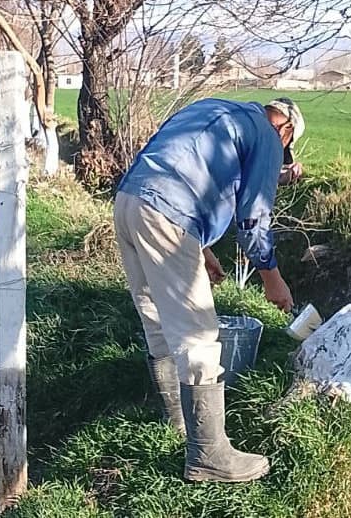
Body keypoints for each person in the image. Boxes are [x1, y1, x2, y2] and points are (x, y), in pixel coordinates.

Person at [114, 97, 305, 484]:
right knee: (198, 332)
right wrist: (272, 278)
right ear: (285, 131)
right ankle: (209, 455)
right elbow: (253, 218)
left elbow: (187, 170)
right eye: (286, 149)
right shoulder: (269, 138)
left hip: (129, 202)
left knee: (155, 316)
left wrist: (200, 247)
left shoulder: (216, 110)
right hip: (168, 215)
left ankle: (178, 424)